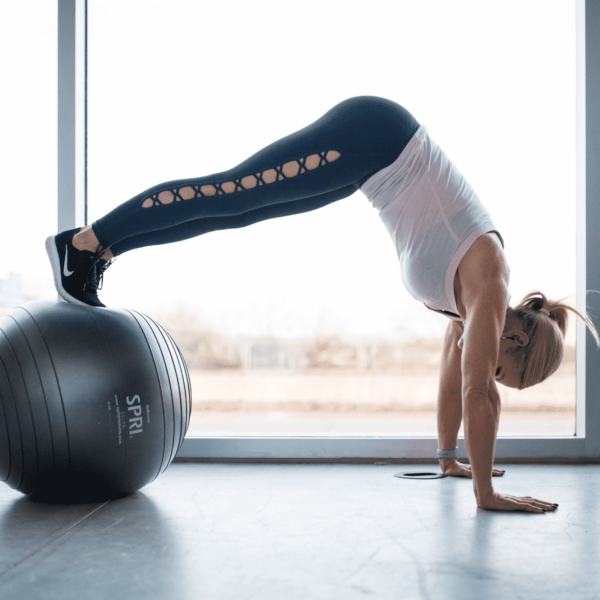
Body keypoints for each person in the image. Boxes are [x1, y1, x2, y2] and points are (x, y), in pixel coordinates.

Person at [46, 96, 598, 512]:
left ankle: (97, 250)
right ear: (517, 337)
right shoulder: (490, 286)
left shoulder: (475, 305)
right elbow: (478, 395)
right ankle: (85, 243)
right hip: (377, 136)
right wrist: (487, 496)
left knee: (241, 209)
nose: (495, 379)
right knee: (234, 192)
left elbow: (455, 377)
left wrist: (449, 459)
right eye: (508, 373)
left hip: (373, 157)